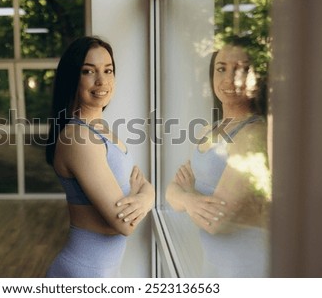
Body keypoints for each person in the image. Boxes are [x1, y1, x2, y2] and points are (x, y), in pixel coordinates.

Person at [45, 36, 155, 277]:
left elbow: (138, 180)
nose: (102, 80)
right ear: (72, 77)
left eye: (108, 70)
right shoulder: (78, 138)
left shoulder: (100, 130)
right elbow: (124, 223)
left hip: (103, 270)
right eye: (88, 71)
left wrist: (145, 192)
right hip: (83, 272)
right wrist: (148, 196)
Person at [166, 36, 271, 277]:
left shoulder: (253, 134)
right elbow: (170, 192)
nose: (228, 79)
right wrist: (187, 198)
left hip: (246, 267)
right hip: (213, 266)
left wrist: (186, 197)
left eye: (240, 70)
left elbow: (215, 221)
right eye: (221, 68)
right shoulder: (208, 131)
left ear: (258, 78)